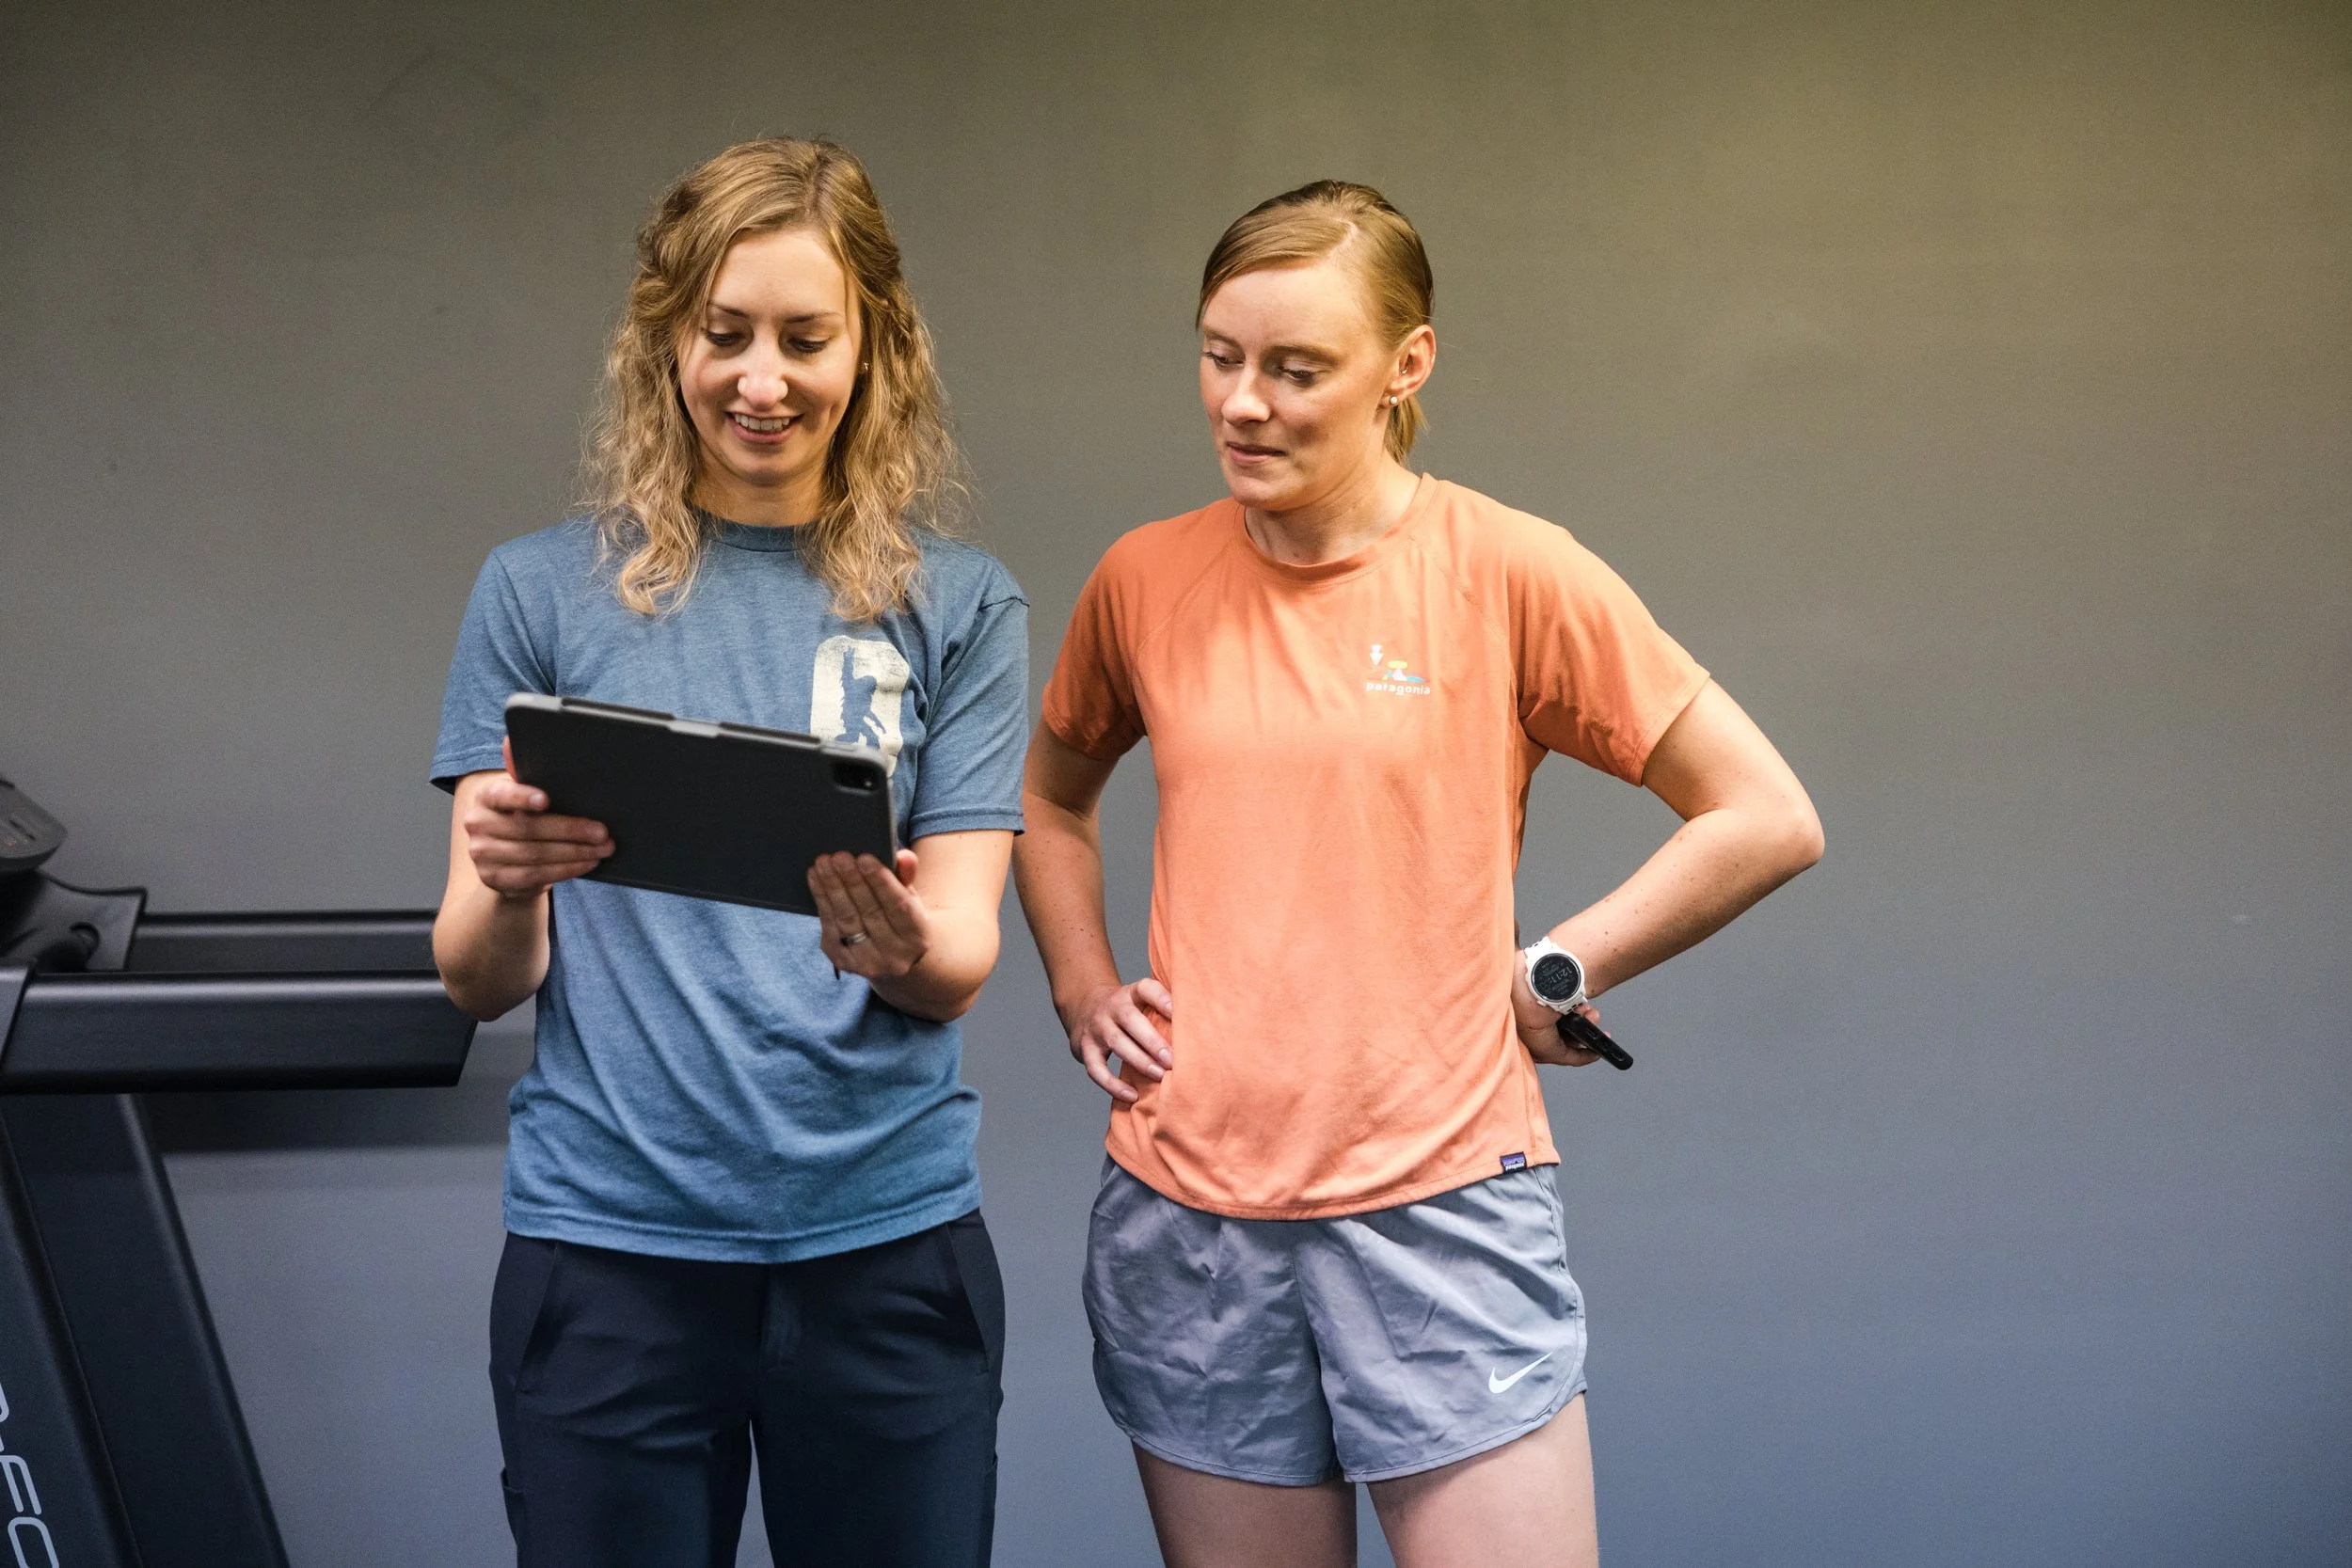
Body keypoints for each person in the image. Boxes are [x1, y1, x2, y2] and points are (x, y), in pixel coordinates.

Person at [1015, 181, 1824, 1568]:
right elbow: (1047, 799)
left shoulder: (1508, 570)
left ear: (1407, 366)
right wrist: (1082, 985)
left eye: (1295, 368)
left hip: (1443, 1209)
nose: (1243, 402)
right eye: (1220, 355)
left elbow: (1764, 811)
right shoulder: (1142, 579)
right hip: (1189, 1220)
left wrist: (1557, 967)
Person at [429, 137, 1027, 1568]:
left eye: (805, 338)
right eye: (725, 334)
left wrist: (898, 944)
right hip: (612, 1250)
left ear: (873, 345)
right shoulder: (535, 593)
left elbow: (960, 964)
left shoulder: (961, 604)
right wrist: (509, 882)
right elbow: (473, 975)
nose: (763, 378)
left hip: (887, 1250)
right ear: (666, 342)